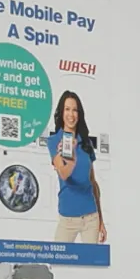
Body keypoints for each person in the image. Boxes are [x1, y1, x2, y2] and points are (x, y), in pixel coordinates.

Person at [46, 92, 105, 245]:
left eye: (75, 110)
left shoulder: (86, 143)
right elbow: (64, 174)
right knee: (58, 263)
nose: (71, 114)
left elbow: (93, 182)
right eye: (67, 109)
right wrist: (71, 159)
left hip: (91, 217)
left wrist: (101, 221)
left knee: (91, 266)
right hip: (68, 217)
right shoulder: (54, 141)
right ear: (61, 112)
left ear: (79, 114)